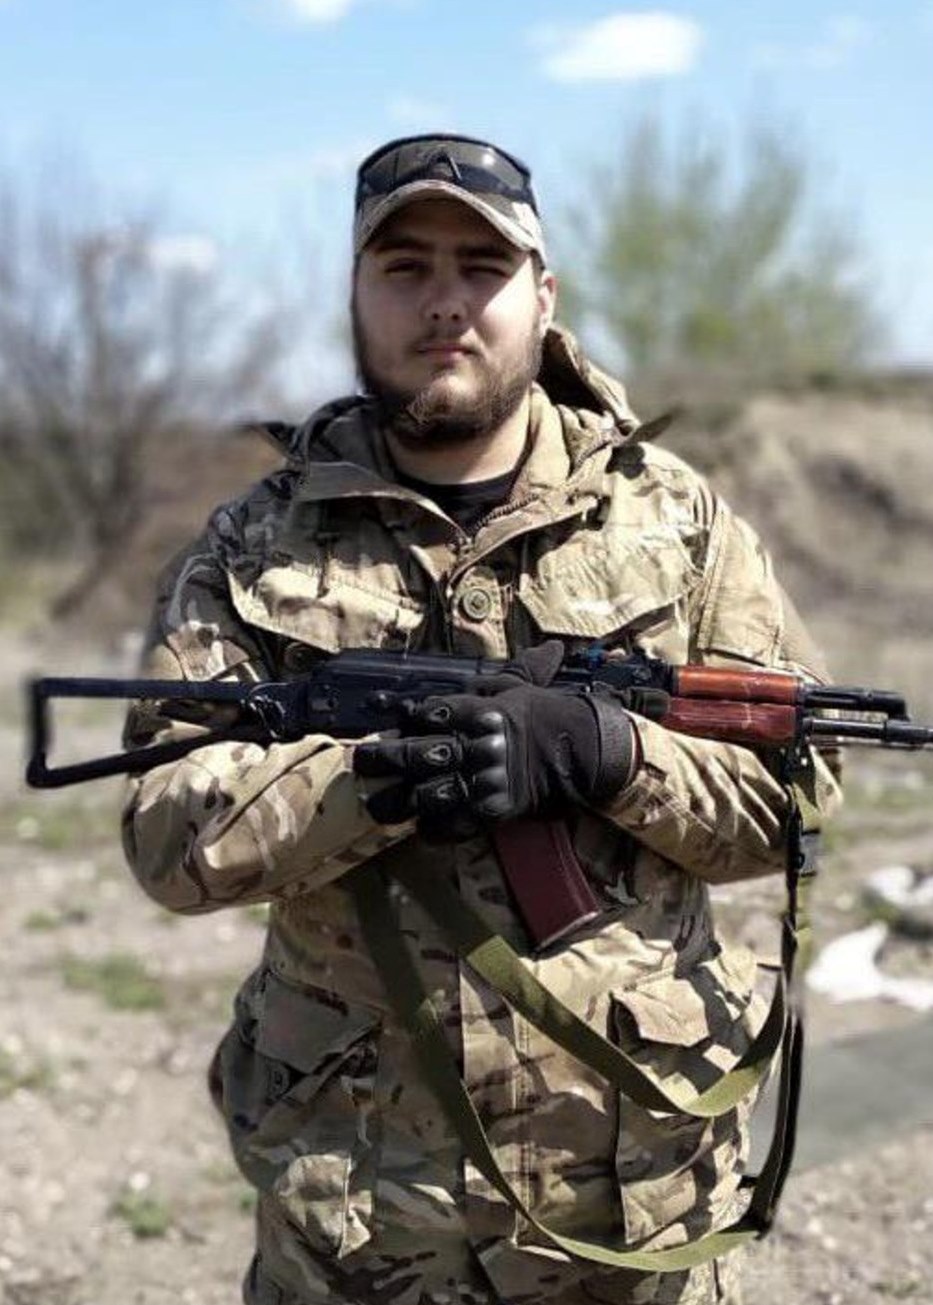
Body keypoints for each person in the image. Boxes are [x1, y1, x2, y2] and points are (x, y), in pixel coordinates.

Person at [121, 133, 840, 1305]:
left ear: (543, 296)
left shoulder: (679, 524)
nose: (445, 303)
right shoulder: (254, 545)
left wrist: (608, 754)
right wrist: (374, 781)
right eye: (405, 267)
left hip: (632, 1198)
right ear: (356, 294)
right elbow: (166, 835)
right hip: (360, 1214)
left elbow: (794, 804)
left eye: (483, 268)